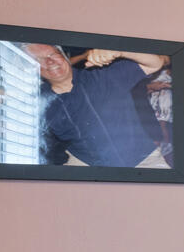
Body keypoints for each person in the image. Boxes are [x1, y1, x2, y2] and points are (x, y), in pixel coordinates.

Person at [22, 43, 169, 167]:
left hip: (144, 162)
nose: (49, 62)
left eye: (52, 55)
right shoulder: (36, 102)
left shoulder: (102, 77)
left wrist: (120, 51)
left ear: (65, 56)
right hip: (88, 167)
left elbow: (155, 63)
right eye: (38, 60)